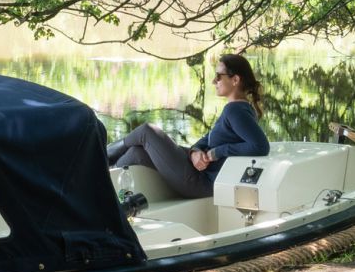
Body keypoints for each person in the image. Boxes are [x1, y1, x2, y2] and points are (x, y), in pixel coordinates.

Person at [107, 53, 270, 199]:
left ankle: (103, 157)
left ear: (235, 80)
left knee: (147, 132)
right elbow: (208, 138)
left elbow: (260, 146)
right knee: (138, 152)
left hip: (202, 182)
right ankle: (106, 176)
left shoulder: (236, 111)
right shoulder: (237, 109)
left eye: (219, 76)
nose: (214, 81)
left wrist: (217, 152)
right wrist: (195, 152)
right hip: (198, 172)